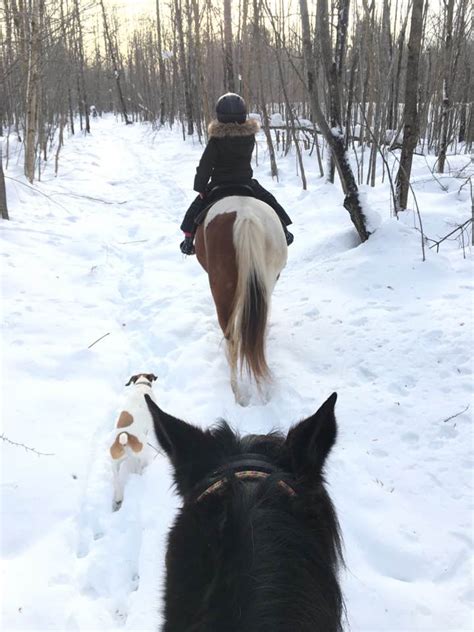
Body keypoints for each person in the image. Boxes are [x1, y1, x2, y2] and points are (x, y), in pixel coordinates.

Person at [179, 93, 294, 255]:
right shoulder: (249, 137)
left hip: (219, 184)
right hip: (245, 183)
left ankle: (188, 241)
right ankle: (284, 230)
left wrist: (200, 187)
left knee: (194, 211)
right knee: (269, 202)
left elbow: (205, 165)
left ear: (220, 115)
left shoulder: (216, 139)